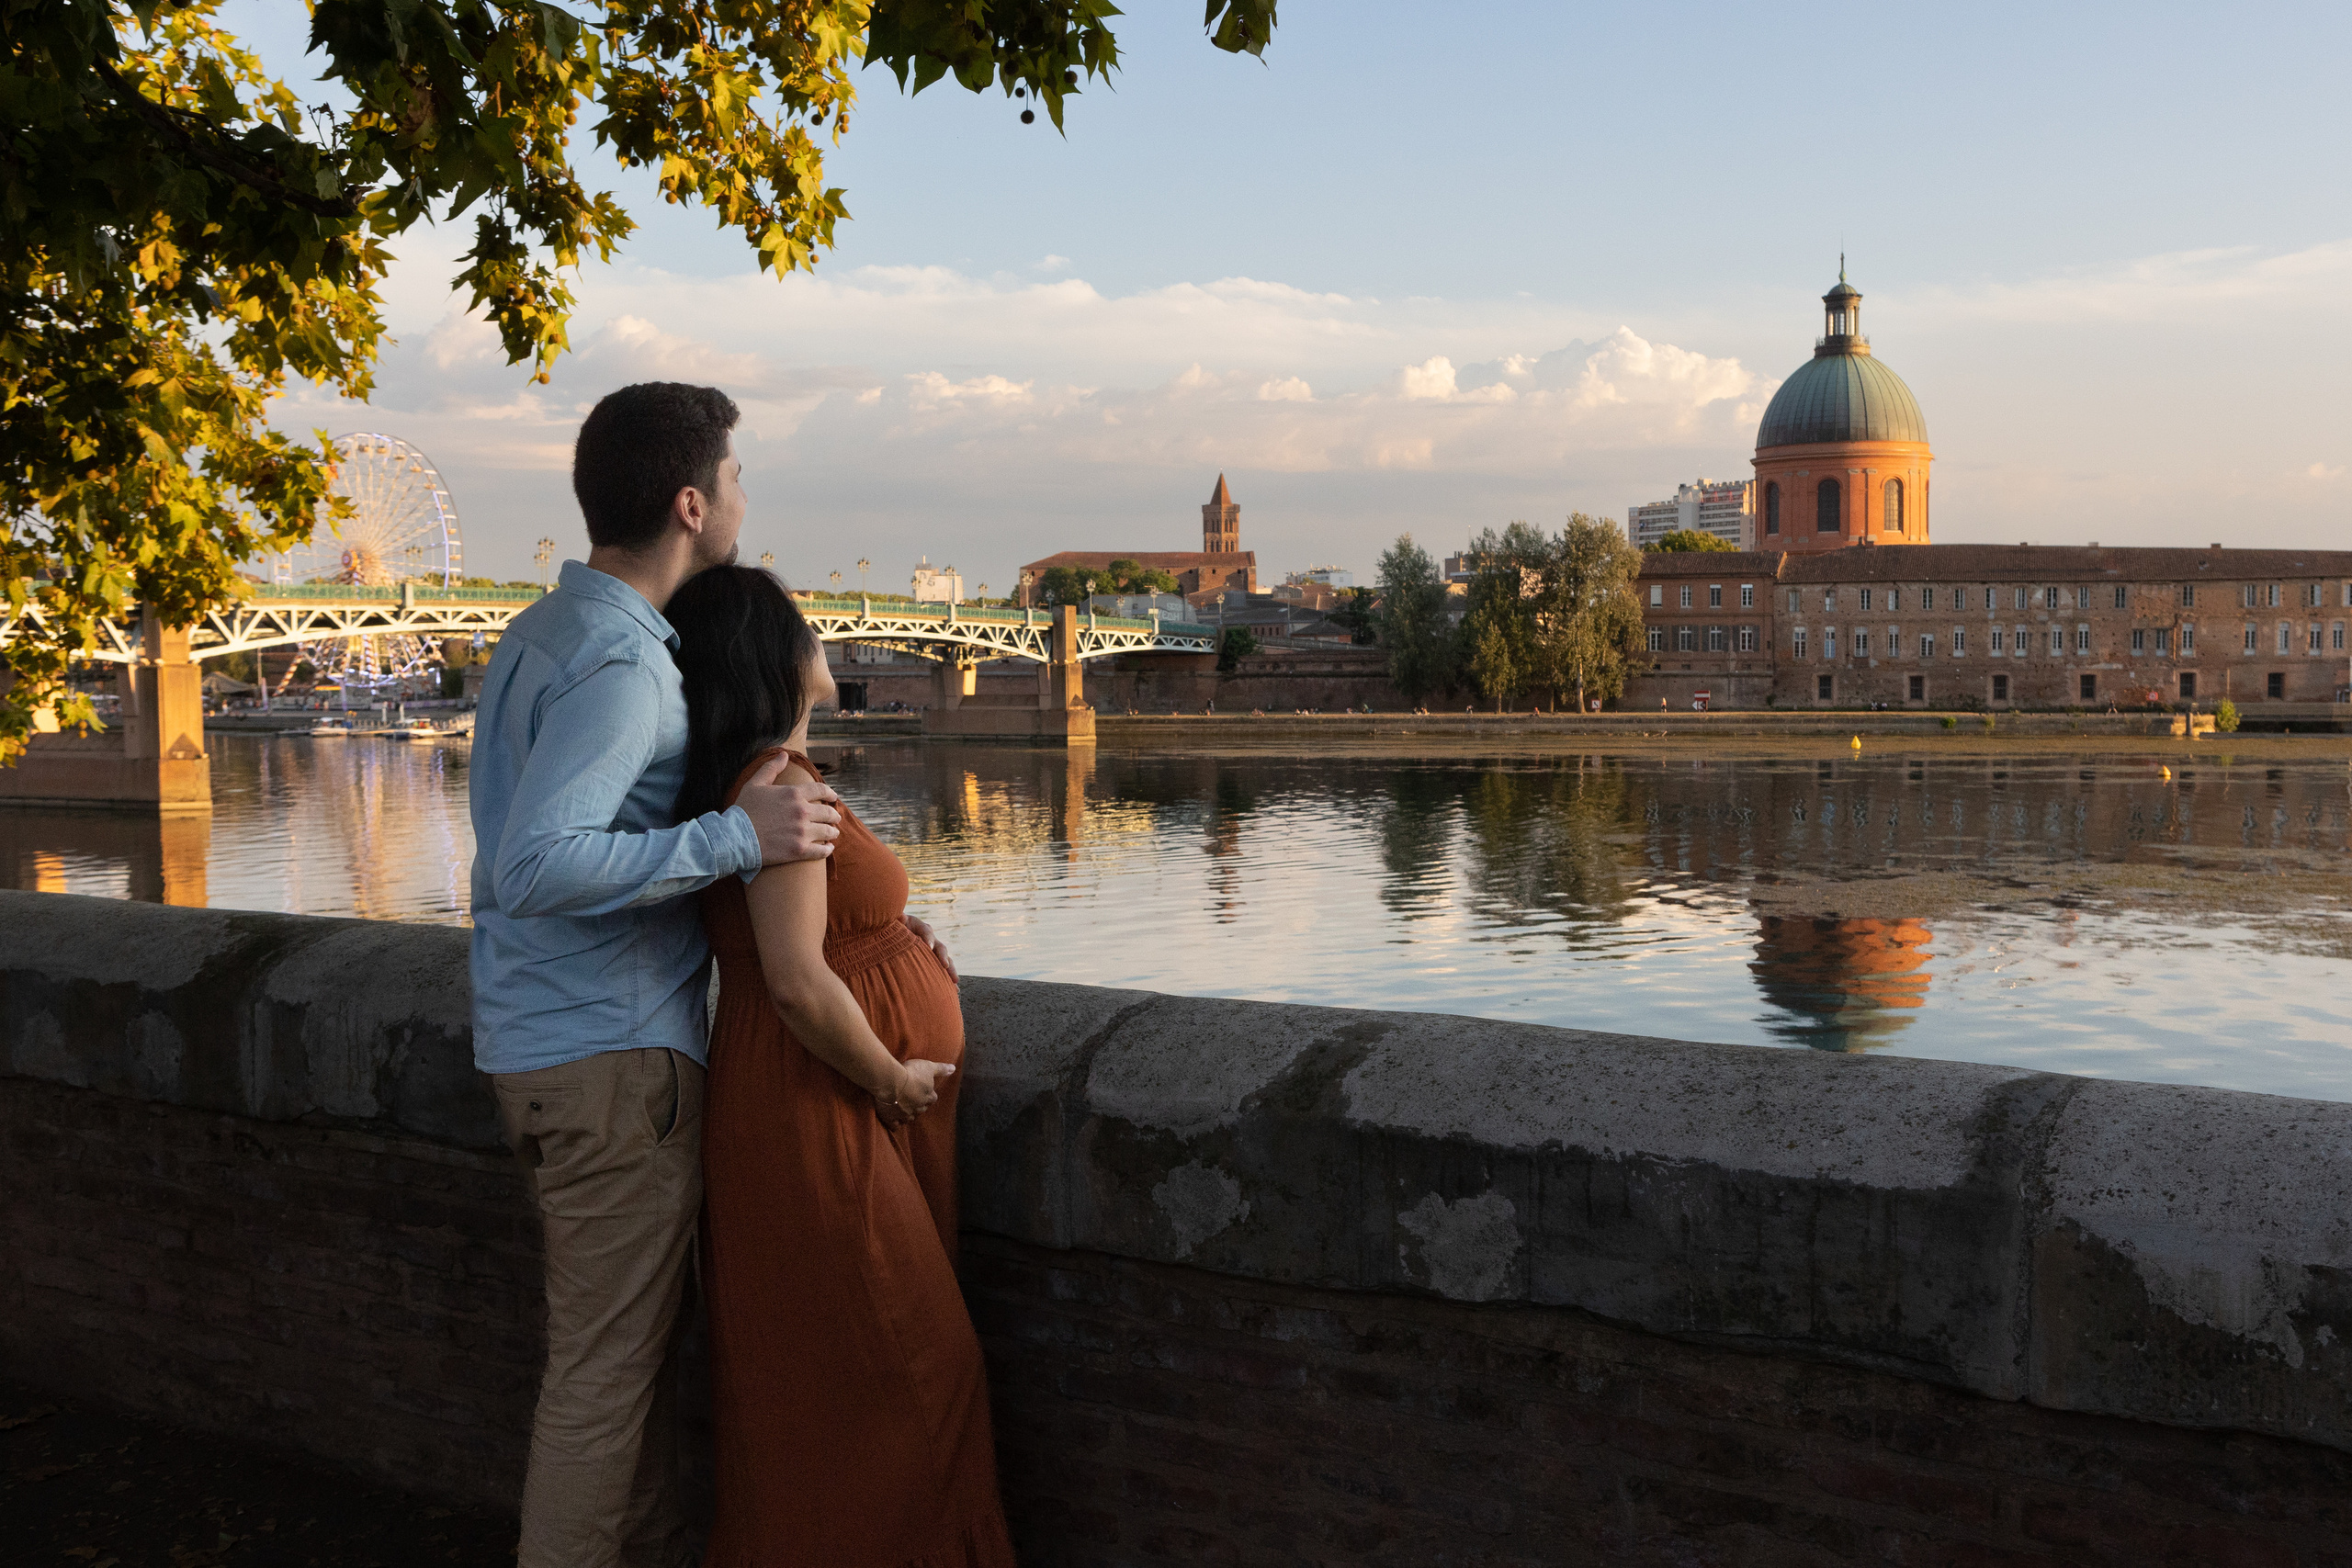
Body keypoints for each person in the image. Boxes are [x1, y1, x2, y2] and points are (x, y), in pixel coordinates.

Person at [469, 382, 844, 1568]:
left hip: (540, 1044)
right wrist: (744, 839)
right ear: (692, 502)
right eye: (736, 480)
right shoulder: (628, 668)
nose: (744, 499)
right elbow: (535, 862)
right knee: (602, 1386)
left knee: (618, 1373)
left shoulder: (541, 632)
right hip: (610, 1058)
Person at [671, 566, 1016, 1567]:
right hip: (813, 1099)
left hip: (813, 1092)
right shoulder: (777, 788)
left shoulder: (766, 782)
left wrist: (900, 943)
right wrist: (892, 1078)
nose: (822, 643)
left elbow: (824, 942)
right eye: (804, 629)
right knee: (908, 1369)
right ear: (775, 659)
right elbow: (794, 982)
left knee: (837, 1377)